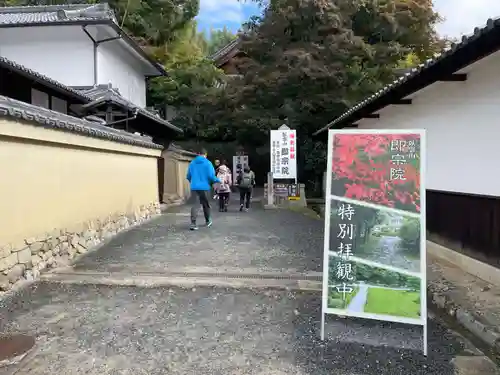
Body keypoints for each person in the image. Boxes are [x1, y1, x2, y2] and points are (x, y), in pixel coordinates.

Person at [186, 148, 220, 230]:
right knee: (206, 204)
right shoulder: (208, 163)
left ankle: (193, 224)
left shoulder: (192, 163)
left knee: (195, 205)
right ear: (205, 154)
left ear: (198, 154)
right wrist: (217, 180)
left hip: (194, 187)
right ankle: (208, 221)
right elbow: (211, 176)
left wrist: (193, 182)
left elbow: (188, 176)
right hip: (205, 187)